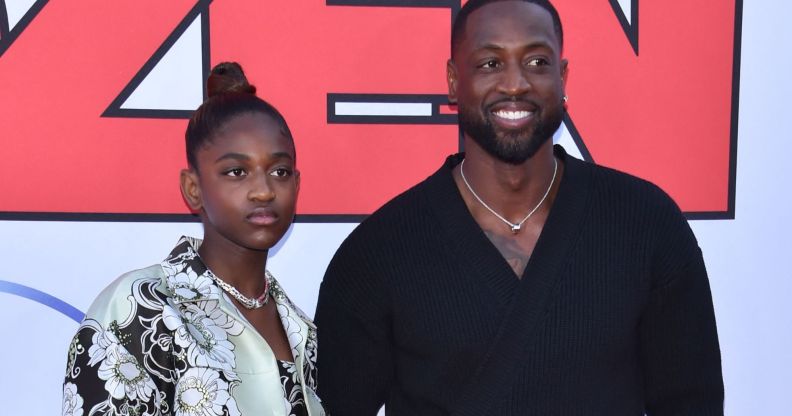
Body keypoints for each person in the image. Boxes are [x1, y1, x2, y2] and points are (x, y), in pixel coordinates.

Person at [313, 0, 724, 414]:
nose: (515, 84)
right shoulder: (378, 254)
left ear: (562, 78)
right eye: (491, 63)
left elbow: (693, 402)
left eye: (537, 62)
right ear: (454, 81)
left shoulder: (647, 226)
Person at [62, 62, 325, 416]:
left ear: (296, 184)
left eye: (279, 171)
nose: (263, 191)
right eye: (237, 172)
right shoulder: (139, 311)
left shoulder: (303, 330)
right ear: (193, 188)